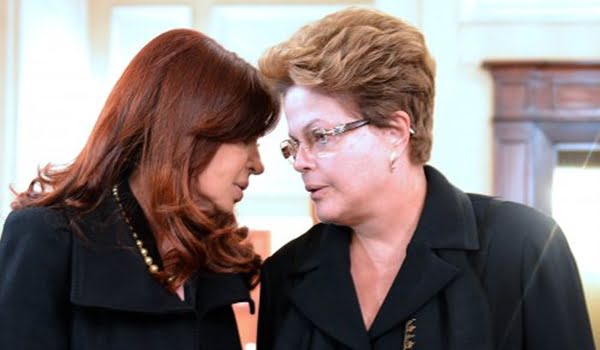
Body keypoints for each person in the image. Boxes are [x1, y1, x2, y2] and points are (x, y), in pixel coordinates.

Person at [256, 7, 594, 350]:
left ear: (395, 132)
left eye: (321, 136)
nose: (299, 161)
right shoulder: (284, 273)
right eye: (294, 144)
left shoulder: (523, 245)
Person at [0, 28, 280, 350]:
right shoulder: (48, 236)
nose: (258, 164)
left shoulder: (213, 254)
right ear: (187, 131)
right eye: (246, 140)